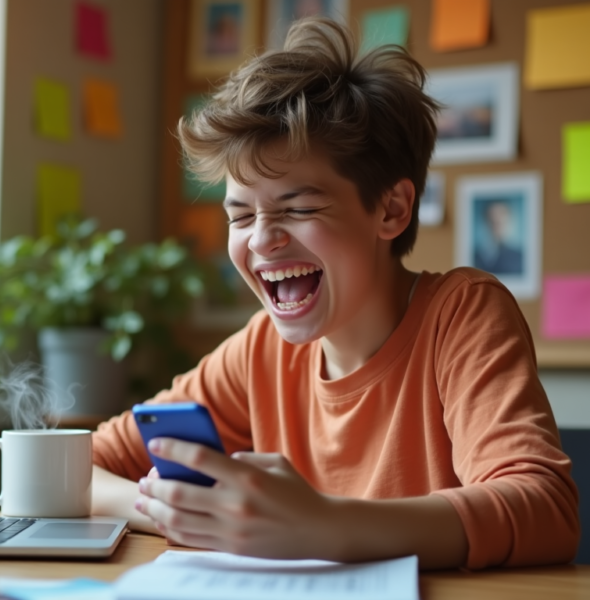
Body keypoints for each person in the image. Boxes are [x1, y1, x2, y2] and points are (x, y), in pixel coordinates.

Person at [90, 18, 579, 570]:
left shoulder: (461, 313)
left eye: (298, 209)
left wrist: (324, 525)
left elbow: (544, 510)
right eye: (241, 214)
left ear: (391, 209)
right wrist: (179, 510)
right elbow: (81, 466)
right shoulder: (258, 352)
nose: (262, 239)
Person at [474, 199, 524, 275]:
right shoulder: (475, 256)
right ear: (485, 221)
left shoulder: (519, 257)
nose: (497, 224)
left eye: (501, 217)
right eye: (492, 220)